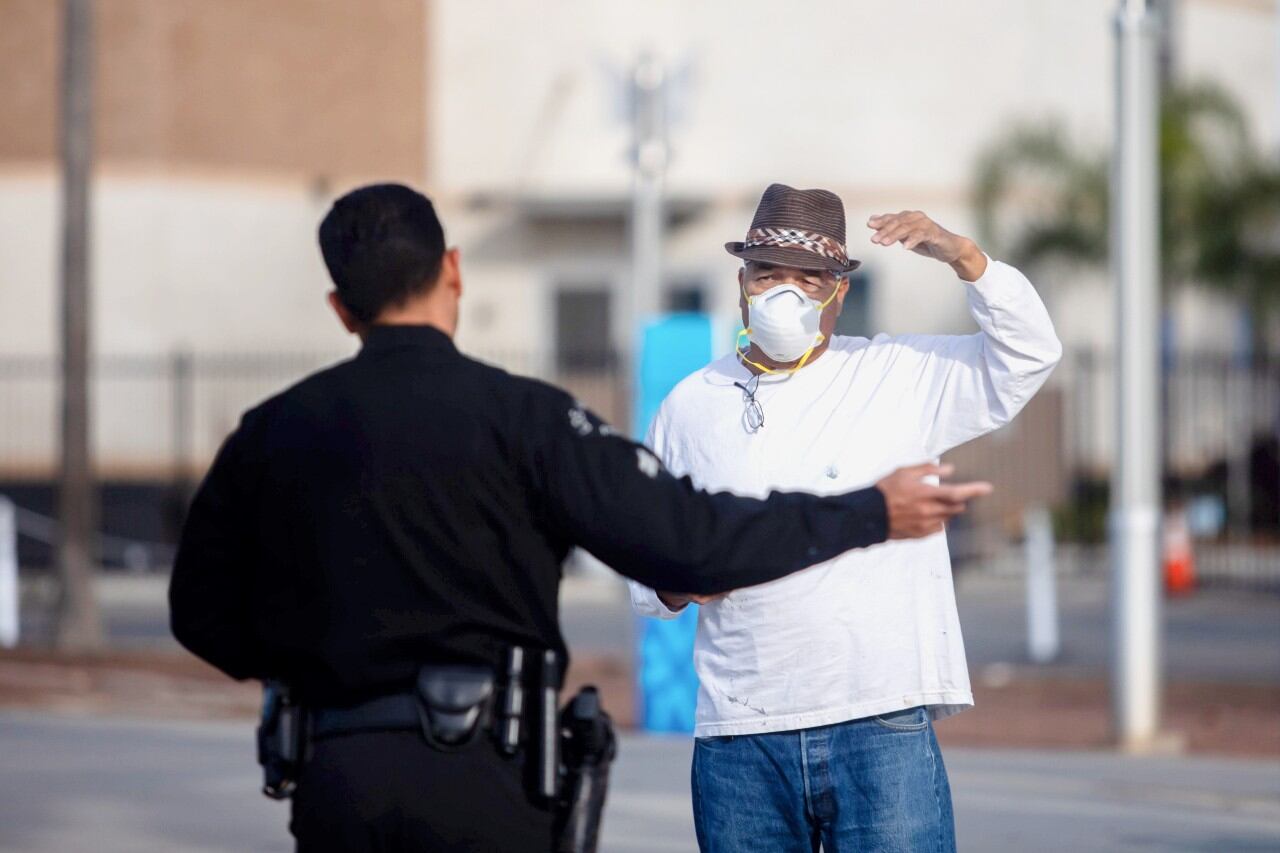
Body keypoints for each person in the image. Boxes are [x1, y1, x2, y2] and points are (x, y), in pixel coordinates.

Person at [167, 182, 993, 853]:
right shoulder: (530, 420)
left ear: (340, 307)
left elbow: (198, 611)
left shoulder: (273, 429)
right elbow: (691, 542)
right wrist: (867, 514)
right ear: (454, 271)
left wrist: (314, 671)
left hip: (338, 770)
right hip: (491, 776)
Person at [630, 183, 1062, 853]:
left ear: (838, 291)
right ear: (742, 284)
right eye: (767, 273)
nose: (784, 294)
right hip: (742, 733)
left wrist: (964, 256)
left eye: (808, 279)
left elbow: (1028, 354)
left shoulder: (898, 372)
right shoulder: (691, 405)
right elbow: (639, 559)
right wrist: (678, 580)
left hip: (879, 722)